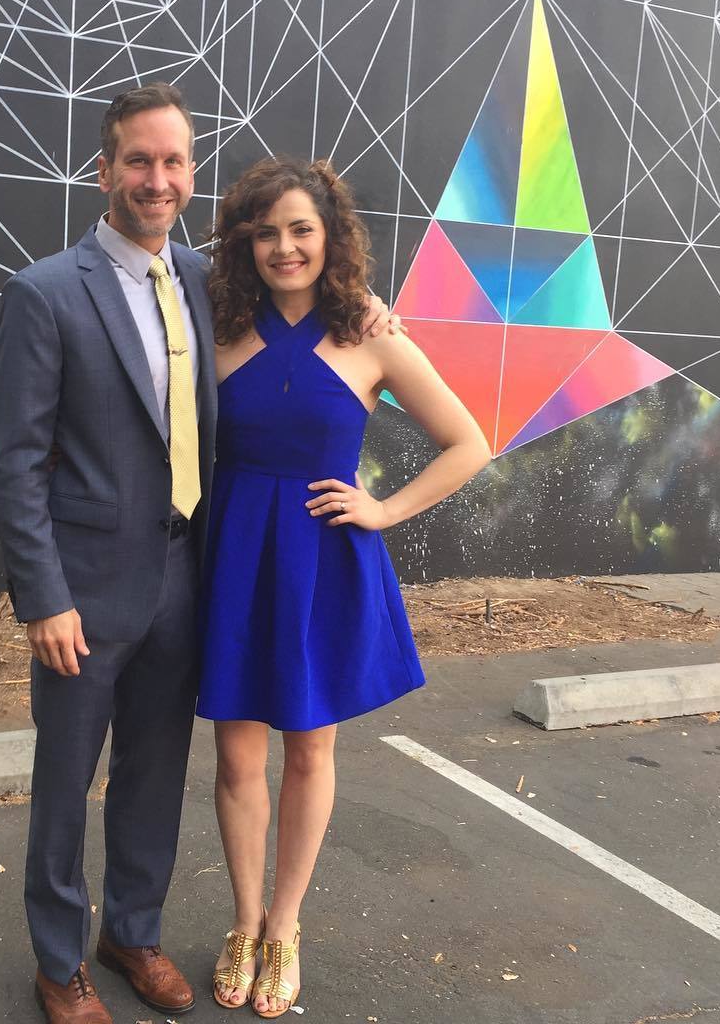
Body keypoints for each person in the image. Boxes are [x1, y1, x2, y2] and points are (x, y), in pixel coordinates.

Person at [0, 83, 402, 1024]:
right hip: (84, 594)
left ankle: (131, 933)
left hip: (191, 577)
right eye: (138, 160)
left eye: (174, 162)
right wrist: (41, 596)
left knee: (153, 774)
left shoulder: (206, 283)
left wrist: (371, 312)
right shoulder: (46, 292)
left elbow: (310, 306)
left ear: (190, 173)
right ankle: (59, 963)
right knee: (65, 784)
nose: (158, 179)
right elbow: (16, 464)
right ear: (104, 170)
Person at [200, 156, 492, 1018]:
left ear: (332, 237)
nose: (285, 248)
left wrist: (383, 509)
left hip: (320, 561)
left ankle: (285, 927)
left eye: (302, 229)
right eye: (266, 233)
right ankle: (244, 922)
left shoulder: (370, 331)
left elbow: (468, 442)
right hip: (235, 556)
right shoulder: (218, 323)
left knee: (310, 749)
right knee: (236, 756)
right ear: (244, 243)